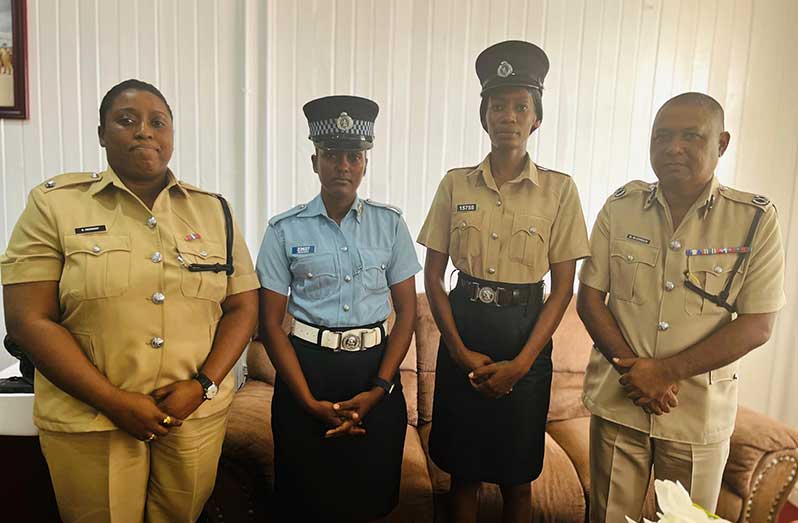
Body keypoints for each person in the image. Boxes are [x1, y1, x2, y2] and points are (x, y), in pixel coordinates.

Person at [0, 79, 259, 523]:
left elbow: (242, 307)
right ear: (101, 133)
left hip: (191, 419)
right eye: (126, 120)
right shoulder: (55, 205)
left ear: (172, 136)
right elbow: (29, 320)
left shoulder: (215, 211)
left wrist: (203, 387)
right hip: (92, 423)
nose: (144, 131)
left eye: (158, 122)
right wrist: (114, 402)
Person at [577, 92, 785, 522]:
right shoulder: (621, 208)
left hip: (695, 415)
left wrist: (665, 373)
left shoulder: (754, 220)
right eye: (662, 136)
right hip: (622, 404)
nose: (674, 147)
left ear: (721, 143)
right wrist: (635, 372)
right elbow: (590, 299)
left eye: (691, 136)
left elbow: (758, 324)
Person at [417, 40, 591, 523]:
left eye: (520, 106)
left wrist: (522, 363)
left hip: (525, 333)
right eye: (498, 106)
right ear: (484, 115)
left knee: (518, 477)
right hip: (466, 327)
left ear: (536, 117)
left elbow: (561, 290)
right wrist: (457, 351)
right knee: (464, 474)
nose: (508, 117)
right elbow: (434, 279)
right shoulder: (456, 184)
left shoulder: (559, 190)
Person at [256, 95, 421, 522]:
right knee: (305, 501)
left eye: (353, 156)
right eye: (332, 155)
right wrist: (307, 400)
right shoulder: (284, 230)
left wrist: (380, 388)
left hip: (374, 372)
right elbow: (270, 323)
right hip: (306, 370)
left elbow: (407, 314)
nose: (342, 166)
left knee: (371, 502)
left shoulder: (391, 225)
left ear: (365, 163)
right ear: (315, 162)